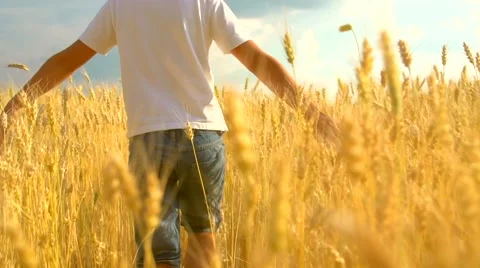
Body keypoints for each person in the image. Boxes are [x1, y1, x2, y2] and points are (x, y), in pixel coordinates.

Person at [0, 0, 340, 267]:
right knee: (204, 242)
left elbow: (68, 61)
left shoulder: (122, 4)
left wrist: (15, 105)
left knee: (157, 254)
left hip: (149, 139)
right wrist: (315, 113)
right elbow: (255, 58)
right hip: (204, 137)